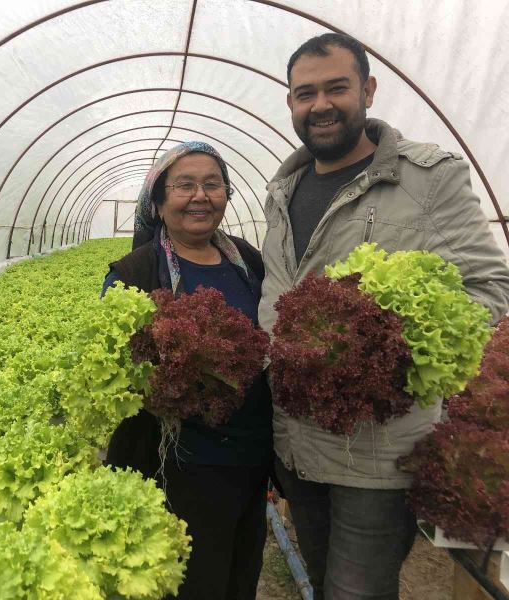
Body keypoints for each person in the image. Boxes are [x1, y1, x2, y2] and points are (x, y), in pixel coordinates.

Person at [259, 33, 509, 600]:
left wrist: (387, 345)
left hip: (376, 452)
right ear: (291, 104)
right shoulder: (283, 188)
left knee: (357, 590)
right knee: (323, 580)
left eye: (336, 88)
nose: (320, 104)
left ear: (368, 90)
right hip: (294, 440)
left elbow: (490, 288)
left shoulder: (426, 177)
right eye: (305, 94)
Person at [101, 141, 273, 600]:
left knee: (240, 576)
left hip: (249, 459)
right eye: (184, 186)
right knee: (191, 583)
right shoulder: (133, 274)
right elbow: (113, 373)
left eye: (212, 184)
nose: (201, 196)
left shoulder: (248, 263)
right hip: (173, 467)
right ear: (156, 203)